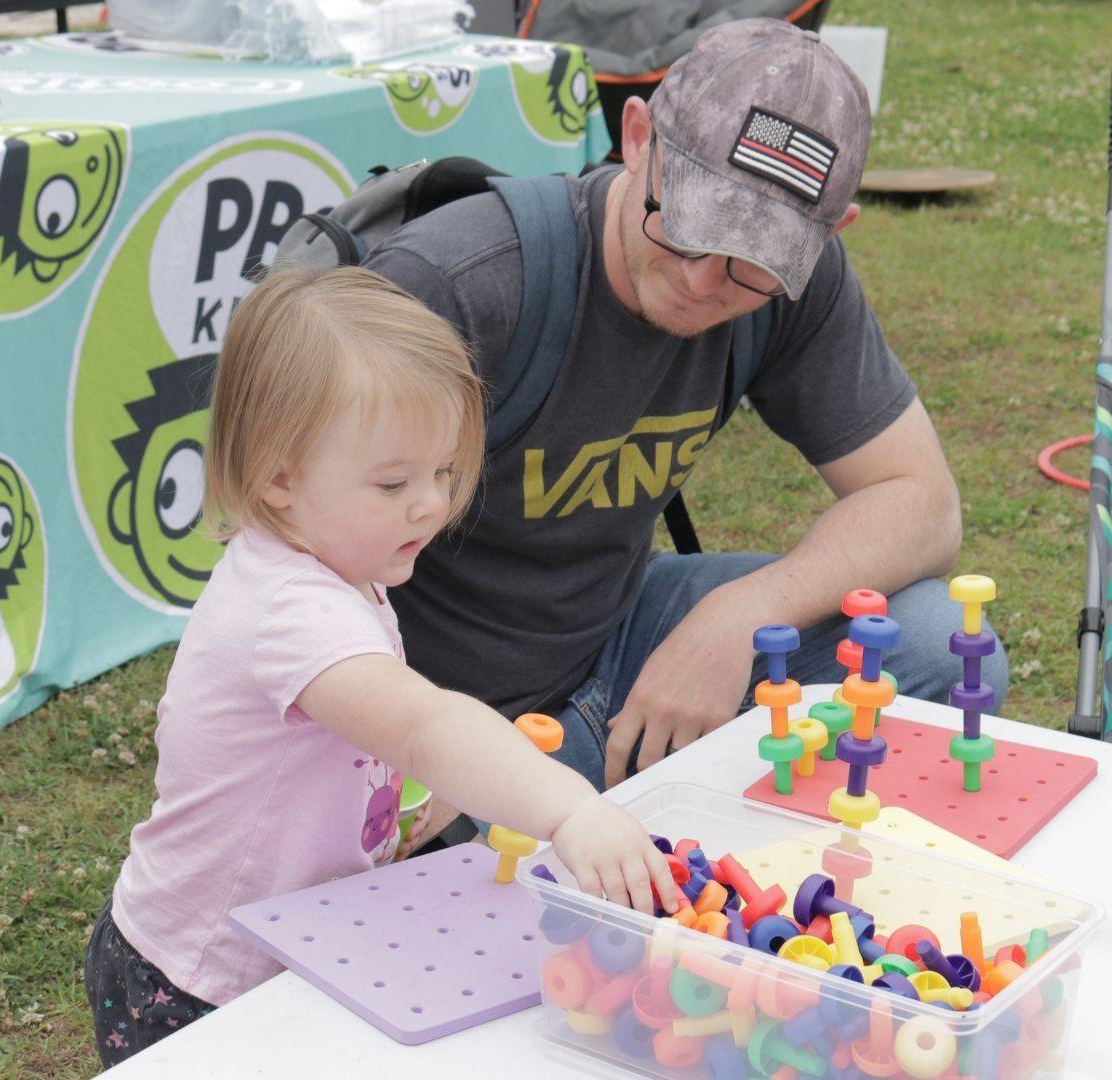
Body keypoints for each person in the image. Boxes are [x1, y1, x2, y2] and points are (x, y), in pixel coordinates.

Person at [367, 19, 1011, 821]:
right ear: (636, 138)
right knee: (484, 829)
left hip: (615, 630)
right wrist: (438, 752)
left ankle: (640, 808)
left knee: (936, 637)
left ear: (827, 237)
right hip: (443, 718)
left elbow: (921, 500)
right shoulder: (459, 286)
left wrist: (738, 618)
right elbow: (283, 575)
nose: (706, 281)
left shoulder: (799, 287)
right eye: (687, 226)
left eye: (756, 258)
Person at [84, 266, 681, 1068]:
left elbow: (344, 747)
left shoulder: (340, 562)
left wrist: (409, 803)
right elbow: (421, 723)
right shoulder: (291, 609)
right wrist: (572, 811)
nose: (432, 503)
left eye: (442, 470)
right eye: (395, 481)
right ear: (280, 477)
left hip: (301, 943)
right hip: (200, 980)